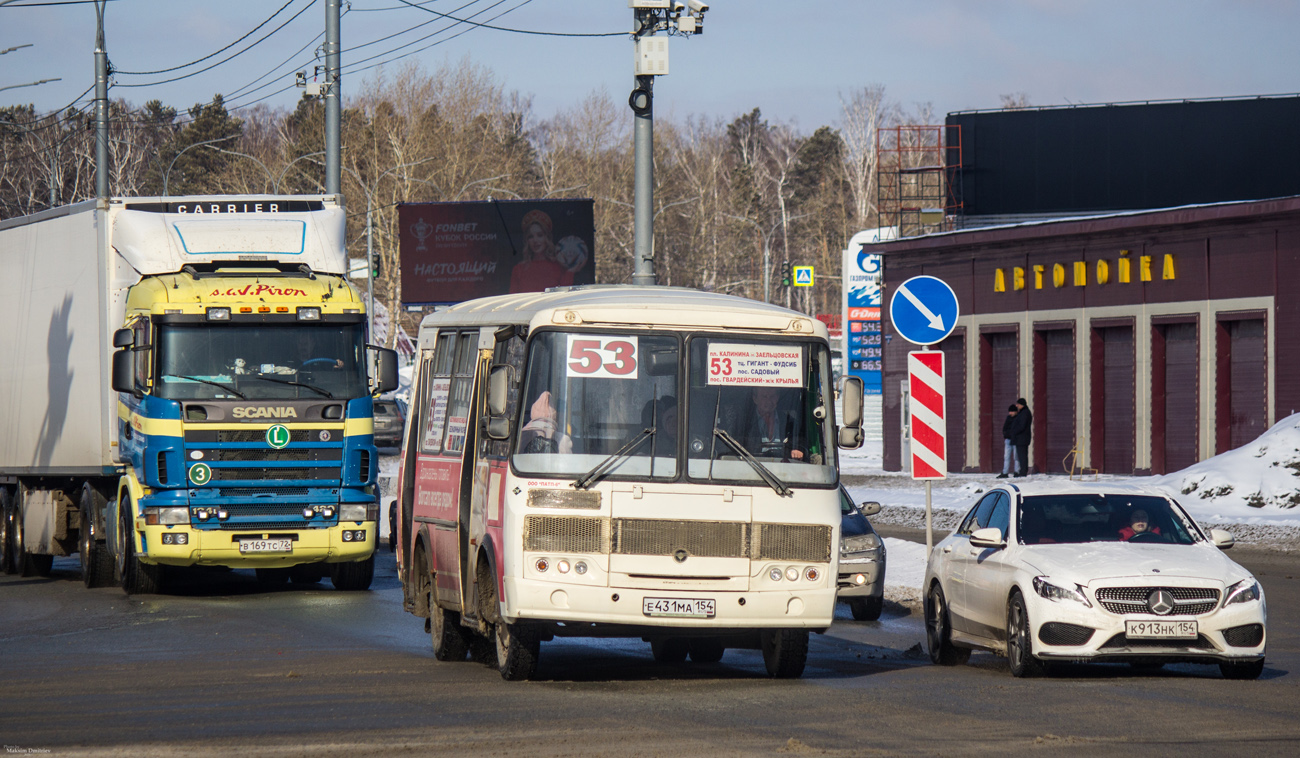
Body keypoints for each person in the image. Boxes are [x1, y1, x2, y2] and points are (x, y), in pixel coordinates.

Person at [508, 209, 574, 293]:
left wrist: (571, 271)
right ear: (527, 241)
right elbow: (513, 298)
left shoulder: (559, 266)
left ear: (547, 238)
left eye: (540, 235)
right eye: (531, 236)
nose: (535, 240)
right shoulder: (518, 269)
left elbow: (565, 295)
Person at [738, 386, 805, 461]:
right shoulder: (745, 422)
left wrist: (798, 449)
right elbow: (737, 447)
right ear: (755, 399)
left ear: (777, 398)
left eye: (772, 397)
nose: (769, 401)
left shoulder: (790, 421)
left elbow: (800, 442)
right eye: (764, 397)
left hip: (783, 465)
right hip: (754, 464)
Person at [1010, 397, 1032, 477]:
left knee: (1022, 456)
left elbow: (1022, 426)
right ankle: (1022, 471)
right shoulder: (1023, 412)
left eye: (1018, 404)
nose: (1016, 406)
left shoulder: (1025, 413)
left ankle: (1023, 472)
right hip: (1021, 438)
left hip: (1022, 438)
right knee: (1021, 455)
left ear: (1021, 405)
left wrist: (1014, 431)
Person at [997, 404, 1019, 479]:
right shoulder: (1008, 418)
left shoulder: (1018, 418)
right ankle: (1005, 472)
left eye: (1012, 411)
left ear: (1015, 412)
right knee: (1006, 456)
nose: (1010, 413)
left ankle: (1017, 472)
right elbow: (1004, 428)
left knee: (1016, 457)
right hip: (1008, 440)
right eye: (1009, 412)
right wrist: (1006, 435)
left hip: (1015, 439)